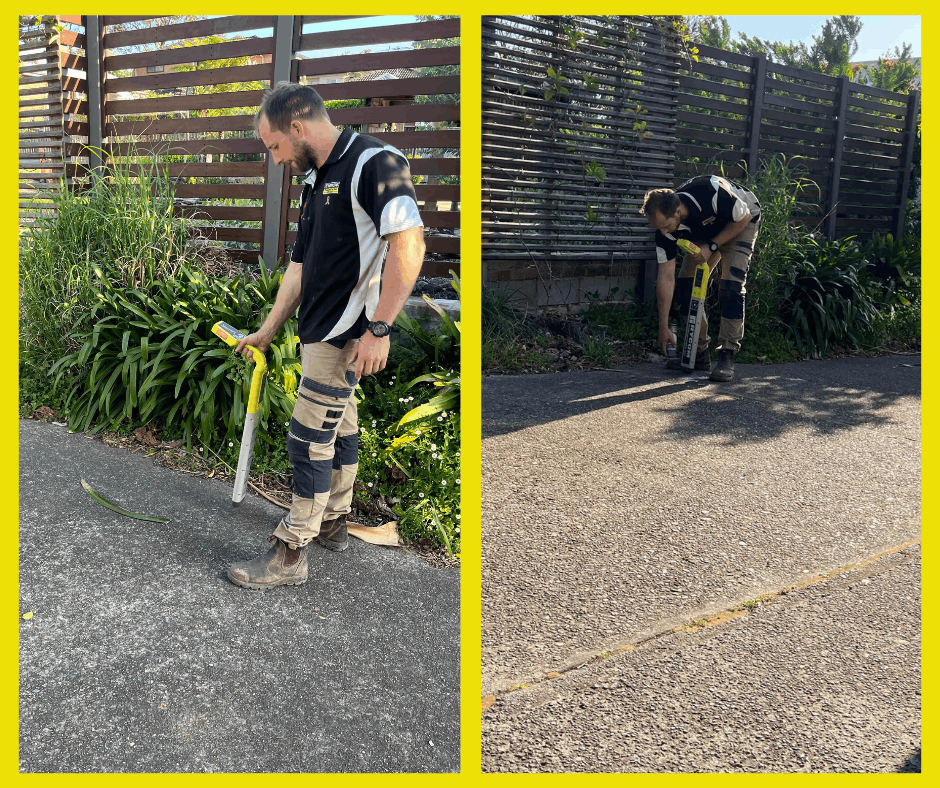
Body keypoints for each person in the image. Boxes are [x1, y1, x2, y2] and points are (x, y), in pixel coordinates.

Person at [226, 82, 426, 590]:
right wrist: (269, 330)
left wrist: (380, 327)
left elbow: (410, 243)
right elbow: (299, 266)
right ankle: (334, 519)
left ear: (297, 127)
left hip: (347, 334)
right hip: (318, 330)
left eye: (274, 146)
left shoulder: (379, 163)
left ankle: (292, 551)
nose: (275, 159)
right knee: (340, 428)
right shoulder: (317, 179)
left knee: (308, 438)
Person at [640, 174, 761, 382]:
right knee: (686, 286)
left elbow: (744, 217)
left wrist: (712, 246)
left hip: (742, 220)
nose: (663, 232)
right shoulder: (665, 230)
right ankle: (699, 351)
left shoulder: (711, 191)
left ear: (678, 211)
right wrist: (663, 325)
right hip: (706, 230)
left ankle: (727, 354)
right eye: (658, 228)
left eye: (666, 226)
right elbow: (666, 277)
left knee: (731, 285)